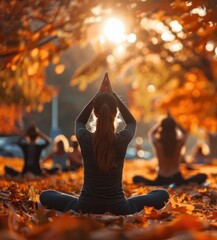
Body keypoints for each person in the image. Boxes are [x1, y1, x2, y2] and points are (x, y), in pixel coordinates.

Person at [39, 73, 169, 215]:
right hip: (118, 207)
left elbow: (80, 122)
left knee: (46, 195)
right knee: (162, 194)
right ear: (115, 113)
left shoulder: (85, 138)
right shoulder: (122, 139)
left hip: (85, 206)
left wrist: (97, 96)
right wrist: (114, 97)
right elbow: (132, 122)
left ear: (95, 113)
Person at [133, 113, 208, 186]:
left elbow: (151, 133)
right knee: (203, 176)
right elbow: (185, 132)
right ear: (174, 128)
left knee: (136, 178)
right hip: (176, 178)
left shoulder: (158, 144)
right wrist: (175, 123)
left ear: (162, 128)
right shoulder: (178, 144)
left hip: (161, 179)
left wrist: (160, 123)